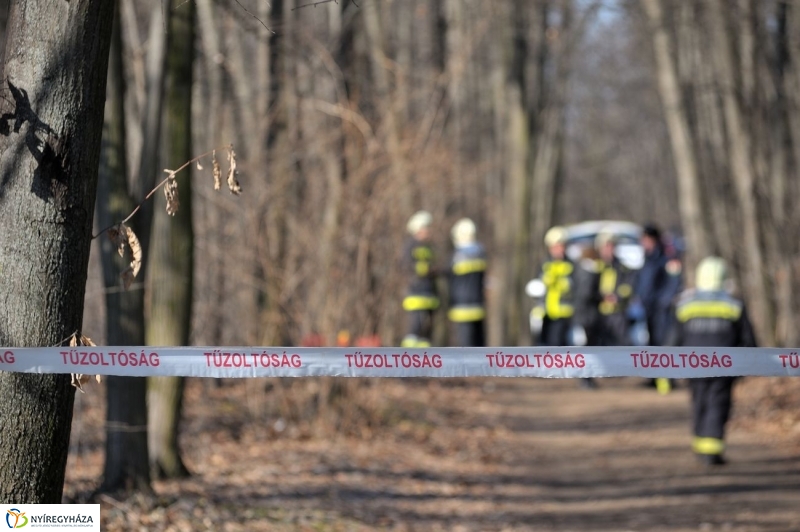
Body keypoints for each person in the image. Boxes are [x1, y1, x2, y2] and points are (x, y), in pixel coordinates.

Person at [668, 257, 757, 466]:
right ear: (724, 278)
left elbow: (674, 338)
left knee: (699, 402)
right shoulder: (734, 305)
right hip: (725, 367)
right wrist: (747, 365)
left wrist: (668, 367)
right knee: (718, 404)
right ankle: (712, 451)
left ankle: (701, 446)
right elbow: (748, 340)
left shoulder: (685, 304)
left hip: (692, 365)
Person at [401, 211, 439, 347]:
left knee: (427, 329)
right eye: (426, 227)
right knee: (415, 324)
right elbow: (405, 265)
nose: (429, 230)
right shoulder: (410, 245)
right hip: (415, 291)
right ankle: (408, 353)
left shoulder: (430, 247)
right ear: (418, 229)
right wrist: (423, 269)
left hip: (430, 292)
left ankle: (425, 355)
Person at [447, 218, 487, 347]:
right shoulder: (481, 253)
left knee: (465, 348)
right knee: (479, 347)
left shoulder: (457, 256)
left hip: (461, 306)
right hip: (478, 305)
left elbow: (447, 272)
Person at [534, 226, 575, 347]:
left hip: (564, 317)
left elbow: (576, 288)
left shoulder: (571, 265)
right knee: (543, 346)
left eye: (561, 246)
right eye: (555, 246)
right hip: (546, 315)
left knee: (560, 347)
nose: (559, 250)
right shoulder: (544, 265)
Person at [594, 231, 634, 346]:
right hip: (598, 315)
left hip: (617, 314)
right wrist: (601, 297)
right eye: (606, 246)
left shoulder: (622, 268)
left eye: (611, 245)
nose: (609, 249)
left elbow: (628, 287)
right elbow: (588, 290)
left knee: (621, 345)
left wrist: (617, 297)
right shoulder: (595, 267)